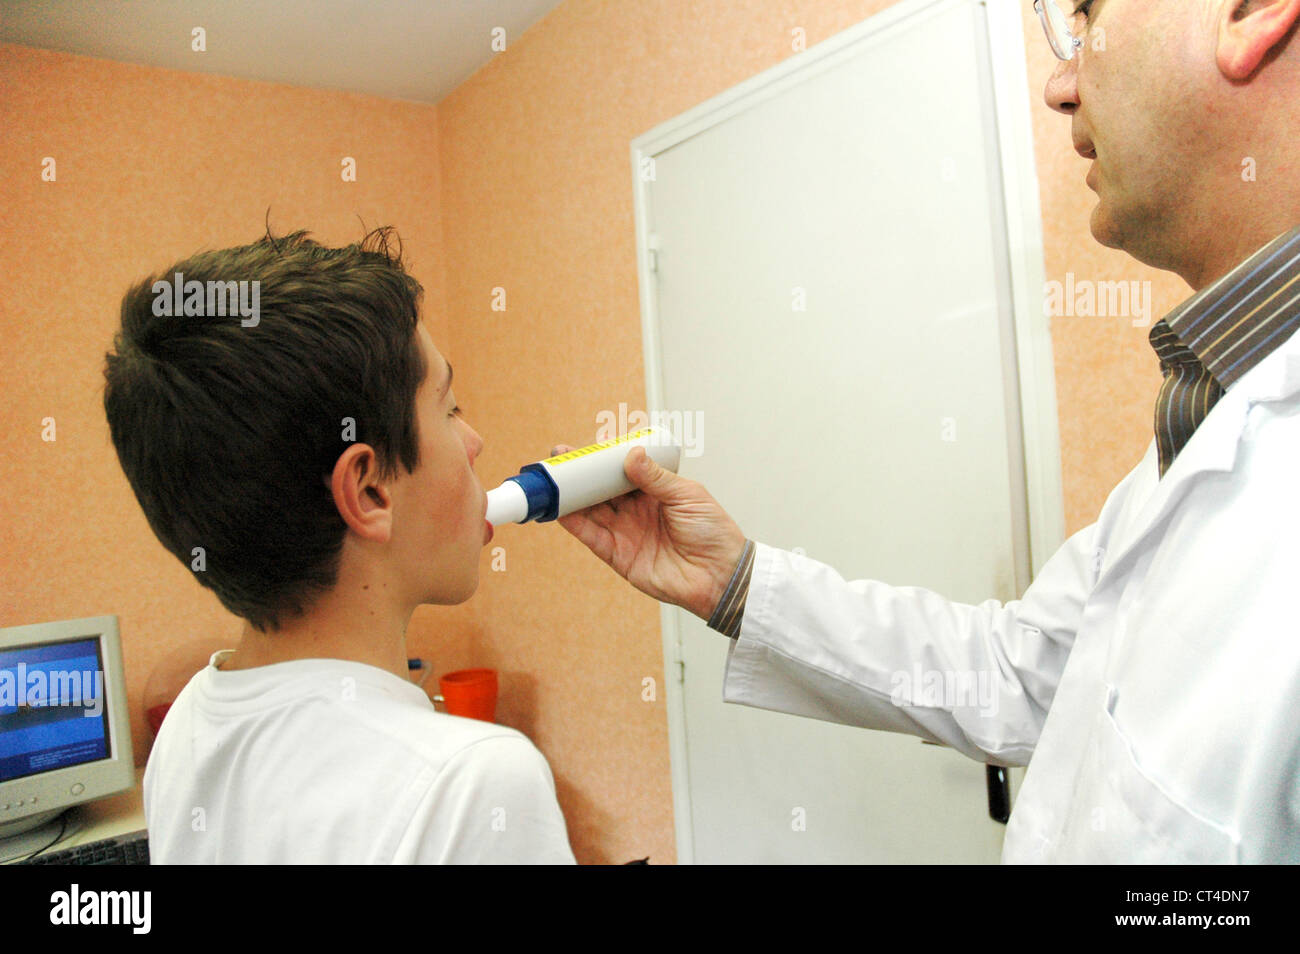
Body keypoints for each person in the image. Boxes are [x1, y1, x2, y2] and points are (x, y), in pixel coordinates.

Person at [557, 0, 1300, 862]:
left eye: (1087, 14)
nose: (1060, 87)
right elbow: (1018, 671)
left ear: (1250, 12)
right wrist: (738, 584)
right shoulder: (1210, 409)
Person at [103, 228, 575, 863]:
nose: (476, 441)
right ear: (370, 489)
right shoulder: (471, 784)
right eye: (450, 408)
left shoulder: (191, 722)